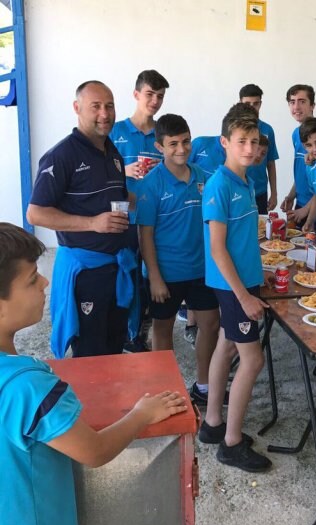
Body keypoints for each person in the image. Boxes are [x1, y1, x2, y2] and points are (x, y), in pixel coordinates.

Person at [0, 222, 187, 525]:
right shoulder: (28, 389)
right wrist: (142, 413)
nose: (45, 282)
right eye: (32, 280)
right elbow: (94, 451)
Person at [27, 80, 137, 358]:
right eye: (96, 106)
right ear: (77, 108)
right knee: (90, 352)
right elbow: (36, 213)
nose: (105, 113)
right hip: (87, 273)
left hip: (118, 267)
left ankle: (116, 400)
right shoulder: (61, 155)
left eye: (109, 106)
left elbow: (116, 199)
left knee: (115, 345)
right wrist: (92, 223)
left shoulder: (112, 152)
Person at [199, 103, 273, 472]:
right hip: (233, 287)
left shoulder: (245, 181)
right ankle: (231, 443)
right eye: (241, 141)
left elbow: (243, 241)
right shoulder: (219, 185)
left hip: (245, 281)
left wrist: (259, 276)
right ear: (225, 142)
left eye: (255, 142)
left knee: (227, 346)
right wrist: (244, 296)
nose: (250, 148)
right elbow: (216, 248)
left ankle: (213, 423)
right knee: (252, 359)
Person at [136, 114, 222, 407]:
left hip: (201, 269)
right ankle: (166, 390)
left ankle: (203, 385)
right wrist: (156, 277)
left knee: (210, 324)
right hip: (167, 274)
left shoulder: (202, 176)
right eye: (173, 144)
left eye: (185, 141)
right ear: (160, 147)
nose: (182, 149)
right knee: (163, 328)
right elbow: (145, 235)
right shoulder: (150, 184)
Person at [110, 69, 170, 353]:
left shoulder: (162, 133)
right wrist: (123, 172)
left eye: (160, 96)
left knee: (151, 276)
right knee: (126, 273)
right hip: (124, 215)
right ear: (136, 95)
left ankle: (142, 329)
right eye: (150, 94)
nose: (155, 101)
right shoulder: (116, 131)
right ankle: (127, 334)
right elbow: (101, 172)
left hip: (155, 216)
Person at [281, 84, 316, 231]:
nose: (296, 107)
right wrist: (291, 195)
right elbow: (303, 171)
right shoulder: (295, 134)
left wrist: (306, 209)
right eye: (292, 102)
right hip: (300, 203)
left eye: (302, 101)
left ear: (313, 105)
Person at [239, 83, 279, 212]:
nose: (252, 107)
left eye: (255, 103)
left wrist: (274, 193)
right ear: (240, 103)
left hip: (260, 191)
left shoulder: (268, 130)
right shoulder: (233, 129)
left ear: (260, 104)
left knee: (260, 230)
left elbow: (271, 163)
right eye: (247, 103)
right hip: (238, 190)